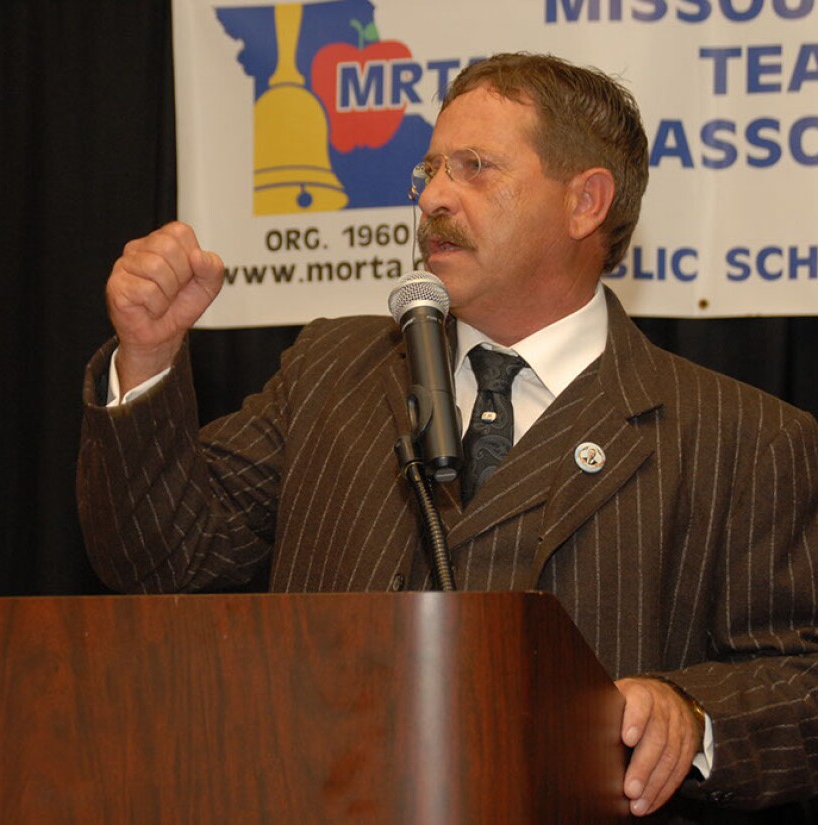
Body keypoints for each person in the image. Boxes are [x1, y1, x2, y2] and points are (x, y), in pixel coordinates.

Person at [78, 53, 818, 820]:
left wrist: (691, 713)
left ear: (586, 201)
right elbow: (161, 558)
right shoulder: (334, 370)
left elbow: (802, 680)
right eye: (429, 170)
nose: (432, 196)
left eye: (474, 168)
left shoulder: (742, 437)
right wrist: (149, 356)